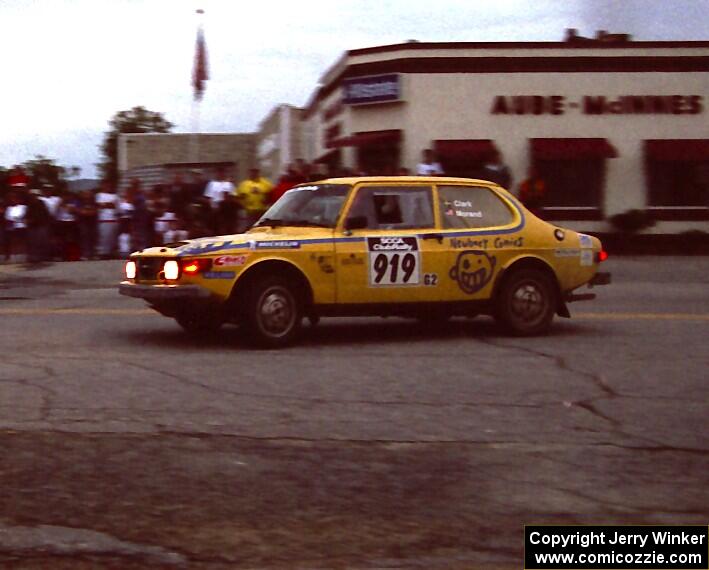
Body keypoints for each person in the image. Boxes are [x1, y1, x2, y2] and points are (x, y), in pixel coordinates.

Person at [95, 181, 120, 259]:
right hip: (103, 220)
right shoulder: (99, 195)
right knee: (104, 237)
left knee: (112, 238)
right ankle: (103, 253)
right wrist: (109, 205)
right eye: (105, 185)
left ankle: (111, 253)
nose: (107, 187)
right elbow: (99, 205)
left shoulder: (115, 196)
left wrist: (107, 205)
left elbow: (117, 207)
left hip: (113, 219)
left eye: (109, 185)